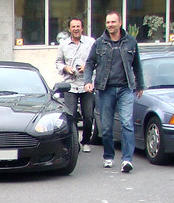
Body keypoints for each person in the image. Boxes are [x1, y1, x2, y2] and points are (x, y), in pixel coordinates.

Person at [85, 10, 144, 173]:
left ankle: (127, 160)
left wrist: (140, 85)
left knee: (127, 124)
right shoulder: (99, 43)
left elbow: (137, 65)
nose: (110, 25)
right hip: (106, 89)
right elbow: (89, 63)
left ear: (120, 23)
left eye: (113, 22)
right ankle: (108, 156)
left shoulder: (131, 42)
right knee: (106, 128)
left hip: (126, 89)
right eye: (108, 22)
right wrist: (88, 81)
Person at [55, 17, 95, 152]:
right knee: (71, 116)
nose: (76, 29)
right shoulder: (63, 45)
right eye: (73, 27)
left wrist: (87, 67)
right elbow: (58, 62)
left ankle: (86, 141)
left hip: (86, 84)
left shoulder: (91, 43)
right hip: (70, 85)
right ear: (69, 29)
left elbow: (97, 61)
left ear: (82, 28)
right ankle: (74, 142)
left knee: (88, 115)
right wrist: (65, 68)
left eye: (78, 26)